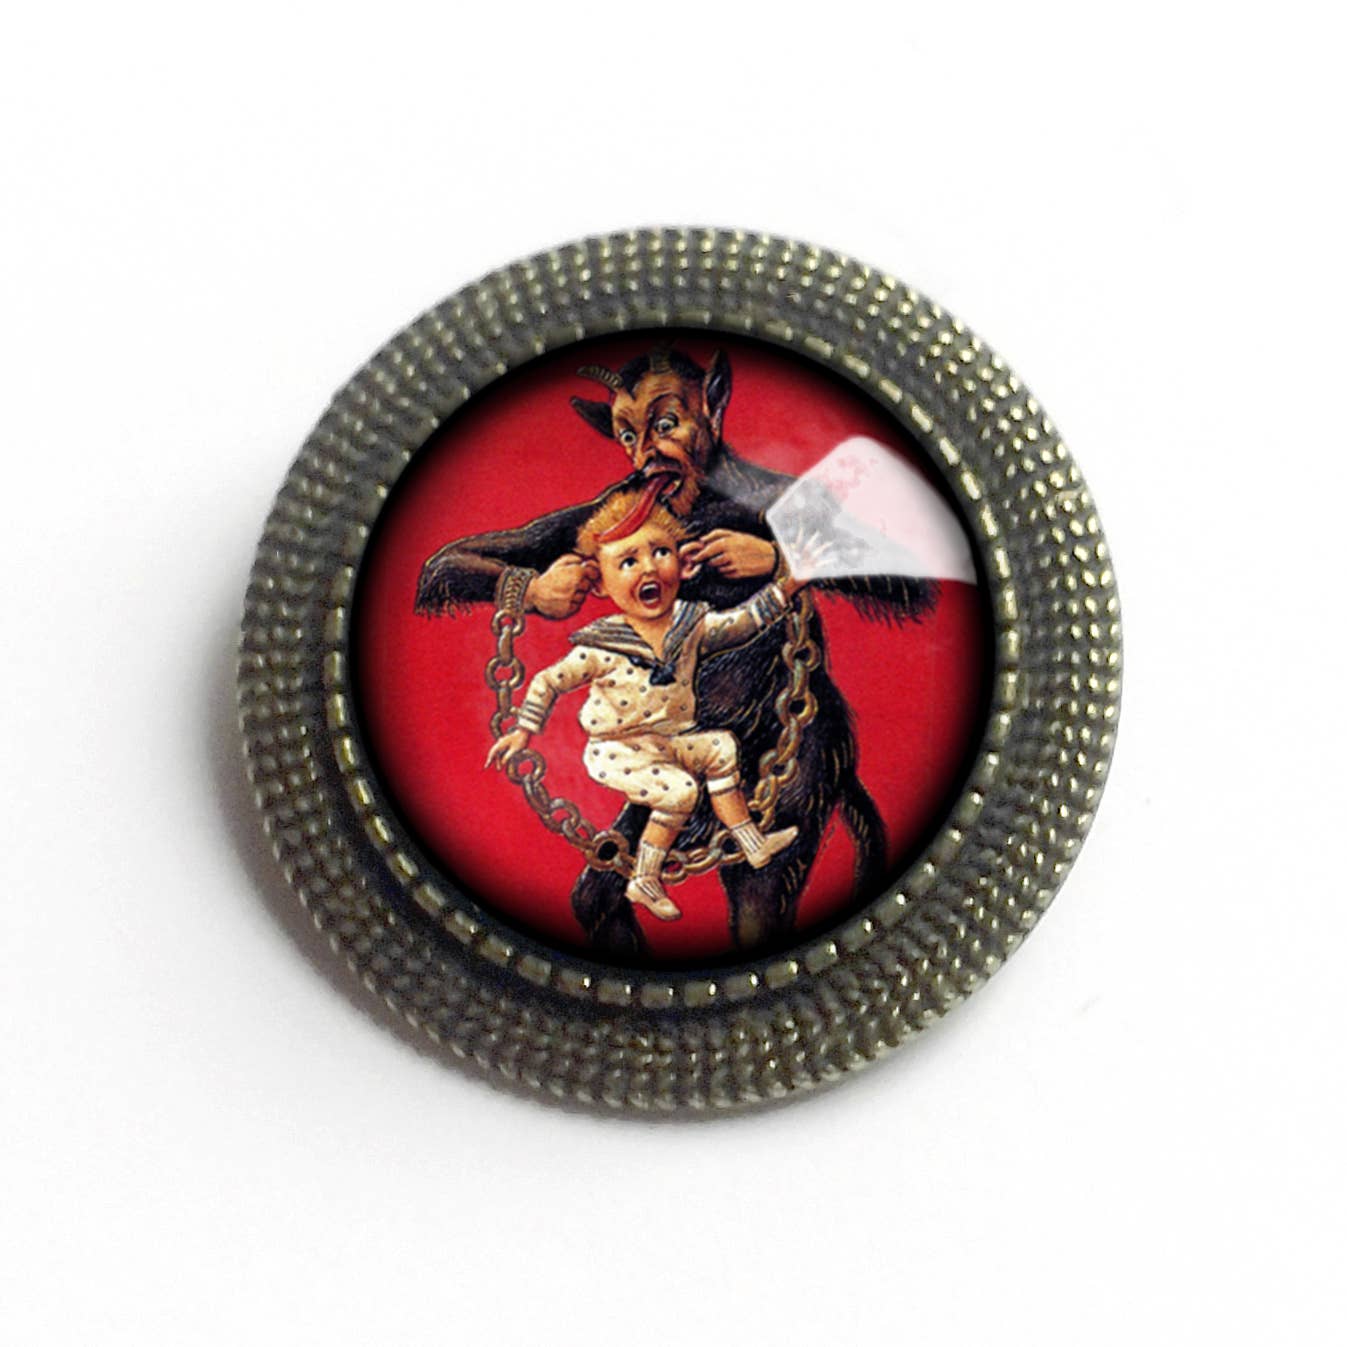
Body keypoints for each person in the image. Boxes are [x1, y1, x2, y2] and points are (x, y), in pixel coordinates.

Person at [486, 487, 802, 921]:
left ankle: (752, 842)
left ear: (685, 564)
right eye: (628, 561)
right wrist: (523, 731)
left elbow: (741, 623)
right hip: (617, 750)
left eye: (660, 553)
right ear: (600, 582)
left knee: (721, 748)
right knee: (680, 791)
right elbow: (548, 681)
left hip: (669, 740)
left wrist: (787, 587)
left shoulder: (690, 625)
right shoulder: (601, 646)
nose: (649, 568)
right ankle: (645, 878)